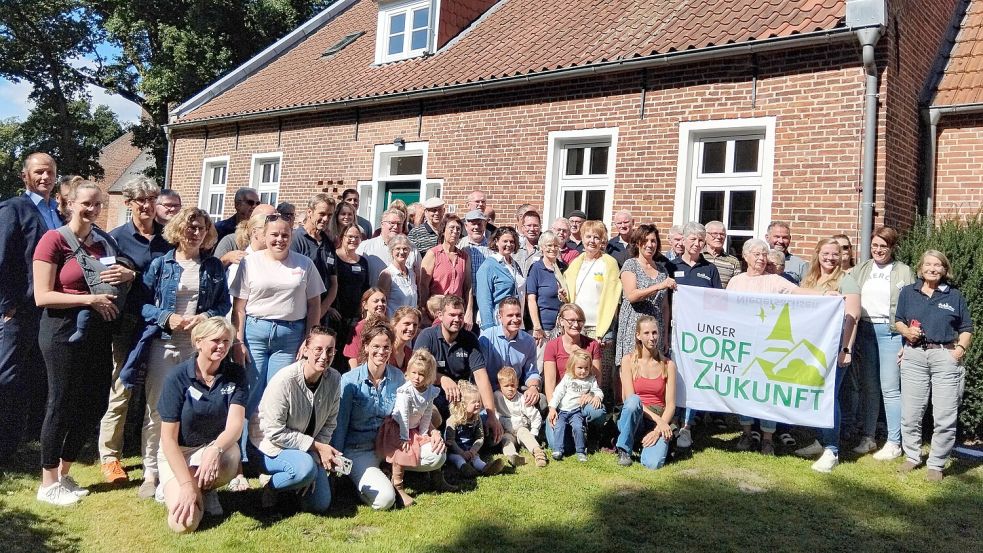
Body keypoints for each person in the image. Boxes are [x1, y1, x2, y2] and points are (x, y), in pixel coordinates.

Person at [32, 181, 136, 505]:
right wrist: (89, 299)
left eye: (98, 204)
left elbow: (122, 268)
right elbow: (42, 296)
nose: (93, 209)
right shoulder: (53, 240)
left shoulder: (103, 241)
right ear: (70, 204)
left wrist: (128, 274)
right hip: (62, 331)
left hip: (98, 332)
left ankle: (64, 473)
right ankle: (48, 483)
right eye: (86, 204)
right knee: (60, 403)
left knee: (95, 403)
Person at [134, 207, 228, 497]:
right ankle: (151, 472)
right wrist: (167, 317)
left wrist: (205, 316)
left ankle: (190, 469)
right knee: (158, 409)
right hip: (165, 344)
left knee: (196, 410)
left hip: (198, 348)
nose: (195, 233)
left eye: (201, 228)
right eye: (190, 227)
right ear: (178, 229)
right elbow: (141, 304)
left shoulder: (213, 267)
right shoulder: (162, 264)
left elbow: (223, 304)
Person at [230, 213, 326, 464]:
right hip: (255, 334)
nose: (279, 239)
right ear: (264, 235)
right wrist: (238, 341)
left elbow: (314, 305)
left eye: (285, 235)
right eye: (274, 234)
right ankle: (238, 456)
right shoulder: (249, 263)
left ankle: (267, 453)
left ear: (291, 236)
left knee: (276, 395)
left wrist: (310, 339)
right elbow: (239, 307)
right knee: (249, 392)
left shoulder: (304, 264)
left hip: (289, 337)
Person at [98, 176, 172, 484]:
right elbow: (106, 278)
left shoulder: (168, 239)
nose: (147, 206)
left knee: (157, 393)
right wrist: (128, 277)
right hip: (127, 323)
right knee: (122, 388)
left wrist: (135, 274)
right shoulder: (115, 239)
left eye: (152, 199)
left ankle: (153, 456)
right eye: (141, 200)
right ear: (129, 203)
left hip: (161, 324)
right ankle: (110, 457)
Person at [332, 324, 453, 510]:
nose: (381, 351)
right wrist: (337, 464)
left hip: (391, 443)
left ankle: (389, 470)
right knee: (385, 500)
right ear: (366, 347)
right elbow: (341, 424)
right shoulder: (350, 380)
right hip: (360, 448)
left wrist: (433, 432)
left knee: (437, 456)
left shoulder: (398, 377)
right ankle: (363, 481)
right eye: (376, 346)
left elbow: (415, 409)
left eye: (386, 347)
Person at [726, 238, 821, 454]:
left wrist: (825, 295)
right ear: (745, 256)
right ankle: (747, 433)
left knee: (768, 391)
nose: (761, 258)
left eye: (764, 254)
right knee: (744, 389)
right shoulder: (736, 282)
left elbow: (798, 292)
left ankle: (767, 437)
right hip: (743, 344)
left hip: (768, 346)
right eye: (756, 254)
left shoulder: (774, 280)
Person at [157, 317, 247, 532]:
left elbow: (235, 426)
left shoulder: (236, 374)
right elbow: (168, 440)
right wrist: (186, 486)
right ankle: (178, 486)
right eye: (215, 340)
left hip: (211, 448)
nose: (222, 346)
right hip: (179, 452)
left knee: (230, 455)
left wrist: (215, 450)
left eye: (226, 341)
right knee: (184, 525)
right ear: (198, 342)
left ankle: (205, 489)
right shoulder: (176, 378)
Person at [0, 152, 62, 461]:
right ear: (25, 176)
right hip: (18, 311)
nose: (45, 177)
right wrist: (6, 304)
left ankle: (18, 444)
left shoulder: (58, 213)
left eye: (49, 171)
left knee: (35, 377)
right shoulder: (13, 209)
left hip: (48, 310)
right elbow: (1, 258)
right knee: (7, 377)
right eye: (38, 172)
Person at [894, 250, 973, 481]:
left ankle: (936, 463)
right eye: (928, 264)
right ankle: (912, 456)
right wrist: (906, 332)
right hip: (914, 357)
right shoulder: (908, 292)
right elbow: (898, 320)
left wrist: (959, 350)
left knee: (945, 415)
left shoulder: (954, 296)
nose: (932, 269)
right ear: (920, 268)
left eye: (938, 265)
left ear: (945, 269)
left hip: (945, 357)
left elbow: (966, 328)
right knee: (910, 413)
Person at [249, 326, 342, 512]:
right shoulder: (285, 380)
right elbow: (274, 432)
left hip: (306, 449)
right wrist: (315, 449)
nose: (324, 356)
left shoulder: (334, 379)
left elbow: (329, 424)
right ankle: (271, 486)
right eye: (318, 349)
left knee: (319, 505)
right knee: (305, 470)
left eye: (330, 350)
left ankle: (298, 479)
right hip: (269, 448)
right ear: (305, 350)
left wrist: (316, 455)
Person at [792, 238, 861, 472]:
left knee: (829, 396)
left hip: (836, 346)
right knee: (816, 394)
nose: (830, 258)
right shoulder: (810, 278)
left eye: (835, 254)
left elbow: (853, 316)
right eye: (826, 253)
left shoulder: (846, 280)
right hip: (814, 346)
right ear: (817, 254)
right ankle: (821, 441)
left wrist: (846, 349)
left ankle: (832, 450)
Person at [850, 226, 915, 460]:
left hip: (891, 333)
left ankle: (894, 442)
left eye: (883, 246)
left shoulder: (904, 271)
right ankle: (868, 437)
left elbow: (913, 306)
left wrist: (907, 341)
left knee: (890, 388)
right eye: (874, 245)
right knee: (869, 387)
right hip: (865, 331)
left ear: (892, 247)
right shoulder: (861, 269)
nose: (878, 250)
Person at [415, 295, 503, 442]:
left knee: (490, 438)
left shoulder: (470, 339)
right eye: (452, 315)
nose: (457, 319)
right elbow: (417, 372)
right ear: (440, 315)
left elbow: (481, 376)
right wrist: (441, 378)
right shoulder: (427, 336)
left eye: (460, 315)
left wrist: (491, 415)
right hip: (432, 397)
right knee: (434, 418)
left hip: (461, 399)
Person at [375, 349, 444, 506]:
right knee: (401, 453)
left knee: (432, 446)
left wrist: (424, 433)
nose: (416, 378)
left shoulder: (429, 391)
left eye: (421, 374)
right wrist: (405, 437)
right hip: (398, 428)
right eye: (413, 373)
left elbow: (427, 413)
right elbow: (403, 416)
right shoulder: (406, 391)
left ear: (429, 376)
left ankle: (437, 478)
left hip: (414, 428)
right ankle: (398, 485)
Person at [565, 220, 622, 397]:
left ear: (603, 240)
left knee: (600, 373)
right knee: (578, 370)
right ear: (582, 238)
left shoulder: (609, 263)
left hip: (599, 327)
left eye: (596, 237)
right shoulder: (576, 262)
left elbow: (613, 296)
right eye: (588, 236)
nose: (592, 241)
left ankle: (601, 407)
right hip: (577, 326)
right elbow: (569, 293)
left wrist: (605, 330)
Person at [615, 316, 676, 469]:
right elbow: (628, 399)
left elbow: (671, 405)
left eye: (654, 333)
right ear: (638, 335)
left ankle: (643, 445)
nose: (651, 337)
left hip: (657, 420)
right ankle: (624, 450)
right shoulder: (628, 360)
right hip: (635, 416)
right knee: (634, 400)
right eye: (646, 333)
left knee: (652, 464)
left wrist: (658, 430)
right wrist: (659, 420)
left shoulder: (668, 365)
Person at [543, 303, 606, 454]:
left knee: (596, 411)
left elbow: (597, 377)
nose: (576, 325)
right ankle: (575, 434)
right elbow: (550, 383)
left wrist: (591, 395)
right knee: (556, 444)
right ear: (561, 321)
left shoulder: (592, 345)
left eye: (579, 320)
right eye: (571, 320)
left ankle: (593, 435)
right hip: (562, 402)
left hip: (584, 400)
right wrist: (553, 408)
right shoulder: (552, 346)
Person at [616, 224, 674, 369]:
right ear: (637, 243)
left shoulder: (662, 270)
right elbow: (631, 295)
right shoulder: (631, 265)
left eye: (653, 241)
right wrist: (659, 286)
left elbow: (665, 306)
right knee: (633, 369)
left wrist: (665, 335)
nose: (650, 245)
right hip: (634, 326)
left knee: (653, 369)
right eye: (645, 240)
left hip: (655, 329)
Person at [290, 194, 339, 326]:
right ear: (309, 212)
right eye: (322, 214)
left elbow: (333, 283)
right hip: (299, 315)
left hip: (322, 316)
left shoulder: (328, 242)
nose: (326, 219)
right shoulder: (295, 240)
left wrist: (321, 311)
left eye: (329, 215)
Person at [548, 349, 603, 462]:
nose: (583, 371)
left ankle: (581, 451)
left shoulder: (590, 380)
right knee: (559, 427)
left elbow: (597, 391)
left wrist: (597, 397)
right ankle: (558, 450)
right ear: (573, 366)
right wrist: (552, 408)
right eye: (580, 368)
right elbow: (558, 393)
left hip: (576, 411)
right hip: (563, 411)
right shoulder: (568, 377)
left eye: (586, 368)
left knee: (578, 428)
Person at [444, 380, 507, 476]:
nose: (478, 404)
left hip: (470, 449)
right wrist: (462, 453)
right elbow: (450, 441)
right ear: (463, 405)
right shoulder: (453, 420)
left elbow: (480, 437)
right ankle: (465, 469)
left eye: (478, 401)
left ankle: (486, 468)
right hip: (455, 451)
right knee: (458, 459)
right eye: (474, 402)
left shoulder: (477, 419)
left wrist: (473, 451)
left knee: (476, 458)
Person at [479, 297, 541, 394]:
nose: (515, 319)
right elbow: (479, 372)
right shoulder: (487, 338)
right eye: (510, 315)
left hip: (514, 389)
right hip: (490, 389)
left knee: (541, 399)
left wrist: (533, 387)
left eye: (518, 315)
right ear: (500, 317)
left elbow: (531, 372)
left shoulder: (529, 341)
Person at [419, 214, 472, 326]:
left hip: (456, 312)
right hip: (437, 312)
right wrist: (423, 312)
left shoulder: (464, 257)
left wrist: (469, 312)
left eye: (458, 229)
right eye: (451, 228)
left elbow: (468, 287)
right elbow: (423, 285)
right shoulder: (433, 254)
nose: (455, 231)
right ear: (443, 231)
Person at [494, 367, 546, 467]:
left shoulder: (521, 398)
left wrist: (533, 433)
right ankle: (513, 457)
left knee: (524, 432)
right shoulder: (496, 397)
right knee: (506, 440)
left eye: (512, 385)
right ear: (500, 386)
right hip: (507, 432)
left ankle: (538, 453)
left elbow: (535, 415)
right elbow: (494, 413)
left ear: (517, 384)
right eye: (506, 386)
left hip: (520, 430)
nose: (510, 389)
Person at [526, 231, 568, 352]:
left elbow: (569, 299)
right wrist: (537, 326)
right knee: (541, 362)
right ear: (542, 247)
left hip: (562, 327)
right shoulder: (536, 268)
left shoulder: (564, 268)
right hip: (543, 329)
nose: (553, 248)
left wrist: (564, 297)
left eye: (555, 245)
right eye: (549, 245)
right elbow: (531, 299)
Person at [476, 226, 525, 330]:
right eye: (505, 241)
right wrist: (488, 327)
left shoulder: (515, 265)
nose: (509, 244)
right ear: (496, 242)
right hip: (497, 322)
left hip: (515, 321)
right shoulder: (489, 266)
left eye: (512, 241)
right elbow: (484, 300)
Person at [358, 208, 421, 287]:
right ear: (382, 224)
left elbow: (419, 277)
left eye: (399, 224)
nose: (395, 227)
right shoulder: (365, 247)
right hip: (376, 293)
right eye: (392, 223)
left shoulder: (411, 248)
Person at [214, 204, 277, 268]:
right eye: (272, 218)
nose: (276, 222)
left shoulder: (278, 244)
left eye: (278, 217)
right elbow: (212, 269)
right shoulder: (231, 241)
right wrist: (226, 258)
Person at [343, 288, 389, 369]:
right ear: (365, 305)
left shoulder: (387, 327)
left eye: (383, 301)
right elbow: (353, 358)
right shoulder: (359, 328)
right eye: (376, 301)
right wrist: (356, 375)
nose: (381, 304)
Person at [378, 235, 418, 317]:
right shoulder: (387, 275)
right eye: (398, 249)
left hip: (410, 322)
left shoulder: (412, 274)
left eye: (405, 249)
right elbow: (381, 304)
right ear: (392, 251)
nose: (402, 252)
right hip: (393, 322)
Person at [703, 220, 742, 288]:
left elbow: (737, 286)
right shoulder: (697, 256)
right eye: (714, 233)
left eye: (722, 234)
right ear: (705, 236)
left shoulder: (733, 261)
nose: (719, 237)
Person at [390, 306, 422, 371]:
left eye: (415, 325)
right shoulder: (385, 349)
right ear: (394, 324)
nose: (411, 328)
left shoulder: (410, 354)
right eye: (407, 324)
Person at [516, 210, 543, 276]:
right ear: (522, 228)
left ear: (540, 227)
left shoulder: (545, 250)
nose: (532, 229)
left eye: (535, 226)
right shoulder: (515, 249)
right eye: (529, 225)